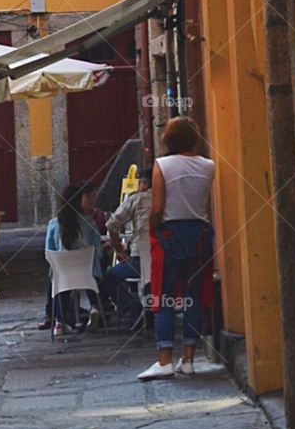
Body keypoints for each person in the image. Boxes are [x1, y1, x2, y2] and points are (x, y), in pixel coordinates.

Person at [138, 117, 214, 381]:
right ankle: (190, 359)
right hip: (200, 234)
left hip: (170, 233)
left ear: (168, 139)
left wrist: (151, 226)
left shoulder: (162, 165)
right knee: (194, 296)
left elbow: (158, 207)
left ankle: (164, 359)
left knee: (165, 297)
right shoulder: (208, 166)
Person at [42, 182, 106, 336]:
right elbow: (98, 252)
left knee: (58, 279)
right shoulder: (89, 223)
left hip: (63, 275)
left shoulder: (53, 224)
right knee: (96, 268)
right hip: (87, 274)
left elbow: (48, 253)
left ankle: (58, 321)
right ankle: (95, 306)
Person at [104, 169, 152, 316]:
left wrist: (119, 250)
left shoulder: (135, 199)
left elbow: (112, 225)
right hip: (165, 260)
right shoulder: (168, 199)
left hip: (139, 261)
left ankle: (131, 306)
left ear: (143, 184)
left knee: (109, 276)